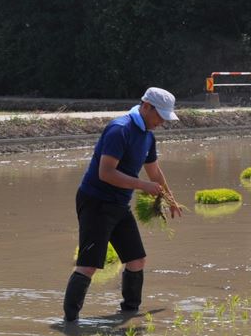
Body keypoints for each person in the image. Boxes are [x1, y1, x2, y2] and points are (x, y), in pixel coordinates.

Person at [64, 87, 183, 323]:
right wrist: (142, 186)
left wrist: (170, 199)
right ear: (146, 106)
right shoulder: (120, 130)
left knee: (136, 260)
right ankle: (70, 323)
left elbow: (154, 171)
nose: (161, 122)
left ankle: (129, 313)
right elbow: (106, 173)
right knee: (89, 266)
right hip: (96, 201)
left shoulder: (148, 135)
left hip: (120, 204)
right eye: (159, 116)